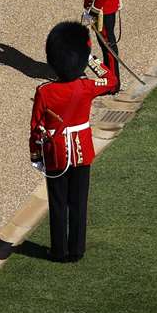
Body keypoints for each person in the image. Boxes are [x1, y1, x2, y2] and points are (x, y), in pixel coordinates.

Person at [32, 22, 114, 263]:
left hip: (55, 152)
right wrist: (90, 58)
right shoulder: (86, 87)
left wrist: (36, 156)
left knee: (58, 204)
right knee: (78, 203)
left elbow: (36, 128)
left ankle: (58, 250)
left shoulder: (45, 92)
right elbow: (110, 79)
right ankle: (76, 250)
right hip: (81, 151)